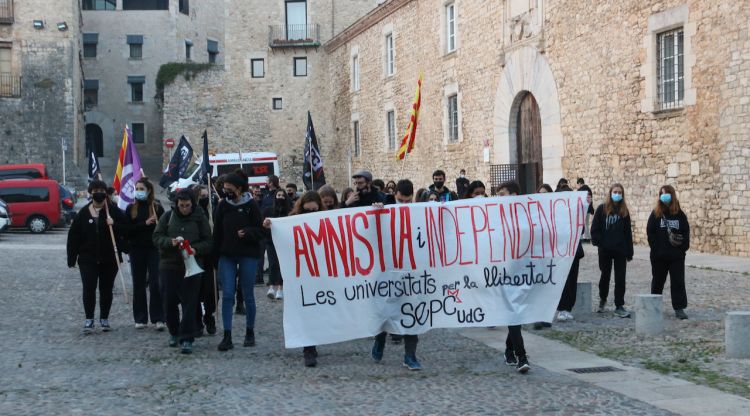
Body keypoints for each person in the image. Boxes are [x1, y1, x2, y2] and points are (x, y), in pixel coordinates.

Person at [264, 191, 326, 367]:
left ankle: (313, 342)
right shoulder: (292, 221)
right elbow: (281, 233)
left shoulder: (326, 219)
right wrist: (272, 225)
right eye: (307, 211)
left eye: (314, 211)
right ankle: (308, 348)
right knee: (305, 309)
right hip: (300, 273)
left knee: (317, 310)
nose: (311, 215)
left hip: (320, 273)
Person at [371, 179, 423, 370]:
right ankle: (380, 339)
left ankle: (410, 356)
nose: (404, 205)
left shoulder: (417, 212)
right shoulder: (384, 207)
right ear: (395, 196)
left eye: (408, 201)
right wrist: (376, 211)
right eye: (401, 200)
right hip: (387, 270)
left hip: (409, 271)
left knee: (412, 312)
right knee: (385, 310)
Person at [152, 189, 212, 353]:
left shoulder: (200, 218)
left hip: (191, 266)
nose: (184, 208)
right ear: (176, 204)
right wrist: (169, 242)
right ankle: (174, 331)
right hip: (169, 265)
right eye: (181, 206)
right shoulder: (168, 217)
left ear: (192, 204)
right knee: (169, 301)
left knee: (190, 303)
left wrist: (195, 249)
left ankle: (187, 337)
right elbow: (156, 237)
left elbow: (208, 241)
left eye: (187, 205)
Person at [67, 179, 128, 333]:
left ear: (105, 193)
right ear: (91, 193)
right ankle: (89, 319)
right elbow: (74, 236)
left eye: (101, 191)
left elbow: (127, 232)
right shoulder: (83, 213)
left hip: (109, 258)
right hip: (88, 258)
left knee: (106, 289)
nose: (98, 194)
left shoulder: (113, 211)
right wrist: (72, 258)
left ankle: (104, 318)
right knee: (89, 287)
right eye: (95, 191)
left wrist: (114, 224)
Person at [214, 170, 265, 351]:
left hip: (247, 254)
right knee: (227, 294)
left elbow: (260, 231)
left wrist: (248, 233)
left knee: (248, 294)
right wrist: (215, 257)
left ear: (239, 188)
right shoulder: (222, 206)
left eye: (229, 188)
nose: (225, 191)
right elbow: (217, 233)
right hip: (227, 255)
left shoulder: (251, 205)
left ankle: (249, 331)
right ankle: (227, 335)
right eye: (224, 188)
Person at [496, 181, 530, 373]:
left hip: (524, 272)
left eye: (502, 194)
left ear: (514, 195)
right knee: (513, 314)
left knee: (518, 315)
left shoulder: (526, 216)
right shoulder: (495, 216)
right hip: (503, 273)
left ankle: (509, 350)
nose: (499, 197)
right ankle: (522, 357)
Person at [125, 177, 166, 331]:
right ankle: (140, 318)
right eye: (137, 189)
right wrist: (145, 224)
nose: (139, 191)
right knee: (139, 284)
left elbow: (164, 229)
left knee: (156, 283)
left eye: (142, 189)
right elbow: (127, 231)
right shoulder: (131, 209)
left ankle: (158, 318)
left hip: (154, 249)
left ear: (148, 191)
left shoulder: (156, 207)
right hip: (136, 249)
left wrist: (157, 222)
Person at [647, 185, 690, 320]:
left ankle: (679, 308)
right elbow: (650, 232)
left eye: (666, 193)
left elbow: (686, 232)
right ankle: (654, 306)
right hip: (659, 256)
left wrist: (682, 248)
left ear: (672, 195)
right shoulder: (656, 214)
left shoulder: (680, 215)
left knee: (678, 282)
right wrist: (656, 248)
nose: (664, 196)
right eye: (662, 194)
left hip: (676, 256)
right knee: (658, 281)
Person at [591, 183, 634, 318]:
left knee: (620, 278)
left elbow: (628, 232)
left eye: (620, 192)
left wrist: (629, 251)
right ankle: (602, 299)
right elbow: (595, 229)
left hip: (620, 250)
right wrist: (601, 243)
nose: (617, 194)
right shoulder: (601, 209)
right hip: (605, 250)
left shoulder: (624, 211)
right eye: (615, 192)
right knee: (605, 276)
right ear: (610, 193)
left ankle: (619, 305)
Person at [555, 186, 584, 322]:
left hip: (573, 251)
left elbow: (581, 228)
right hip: (559, 251)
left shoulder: (575, 212)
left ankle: (567, 308)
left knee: (572, 280)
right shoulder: (554, 213)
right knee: (560, 280)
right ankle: (560, 307)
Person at [193, 185, 218, 336]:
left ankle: (209, 316)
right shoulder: (194, 213)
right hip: (196, 255)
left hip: (210, 256)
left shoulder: (213, 211)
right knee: (195, 291)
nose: (205, 199)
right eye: (202, 196)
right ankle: (196, 322)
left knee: (211, 291)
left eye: (206, 196)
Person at [532, 183, 554, 330]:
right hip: (537, 254)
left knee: (548, 285)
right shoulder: (533, 212)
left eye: (545, 193)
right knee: (538, 285)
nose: (542, 197)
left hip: (550, 254)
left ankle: (546, 315)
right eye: (540, 194)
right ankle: (537, 315)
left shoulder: (555, 212)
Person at [262, 188, 290, 300]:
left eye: (283, 195)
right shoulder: (268, 210)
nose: (281, 197)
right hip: (271, 242)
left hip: (284, 243)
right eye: (279, 195)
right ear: (275, 197)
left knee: (282, 265)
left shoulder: (289, 211)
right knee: (273, 264)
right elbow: (262, 225)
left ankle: (280, 288)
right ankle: (272, 286)